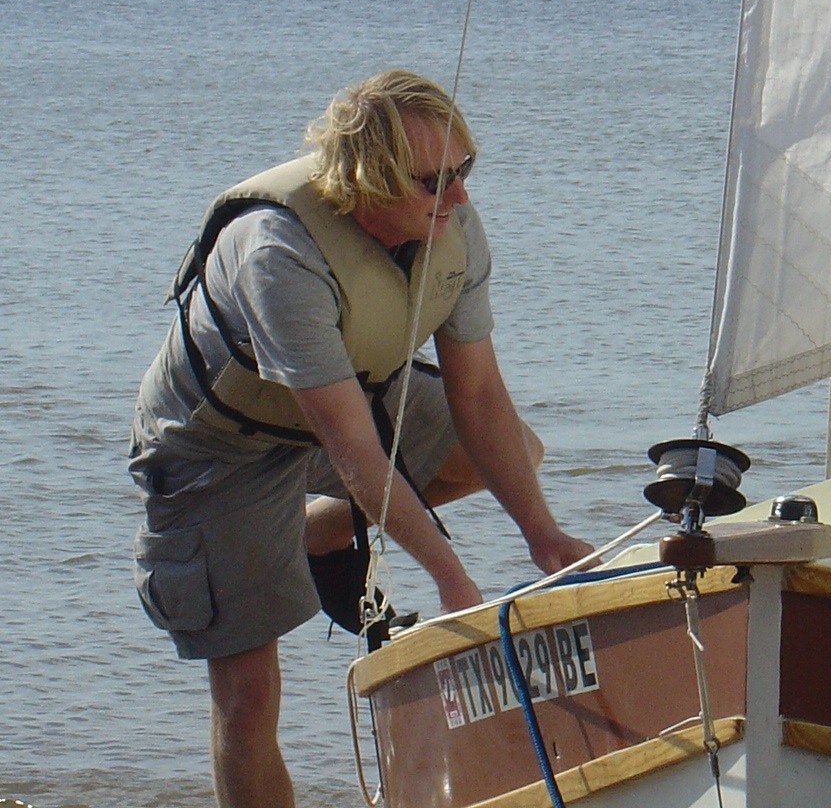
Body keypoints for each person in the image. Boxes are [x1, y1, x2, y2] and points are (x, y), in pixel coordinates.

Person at [128, 69, 595, 808]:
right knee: (248, 696)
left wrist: (543, 535)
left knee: (514, 455)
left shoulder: (452, 226)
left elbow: (478, 396)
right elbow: (354, 454)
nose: (462, 195)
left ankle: (313, 532)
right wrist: (451, 579)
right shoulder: (279, 255)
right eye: (435, 179)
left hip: (346, 398)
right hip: (219, 448)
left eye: (465, 169)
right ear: (367, 180)